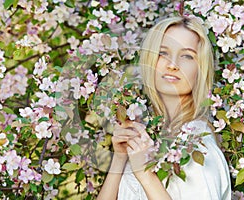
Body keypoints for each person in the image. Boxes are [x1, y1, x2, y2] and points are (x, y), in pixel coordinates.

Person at [97, 16, 231, 200]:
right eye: (163, 53)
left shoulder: (200, 149)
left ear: (200, 71)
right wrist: (120, 159)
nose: (172, 65)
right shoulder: (148, 137)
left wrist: (145, 175)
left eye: (187, 56)